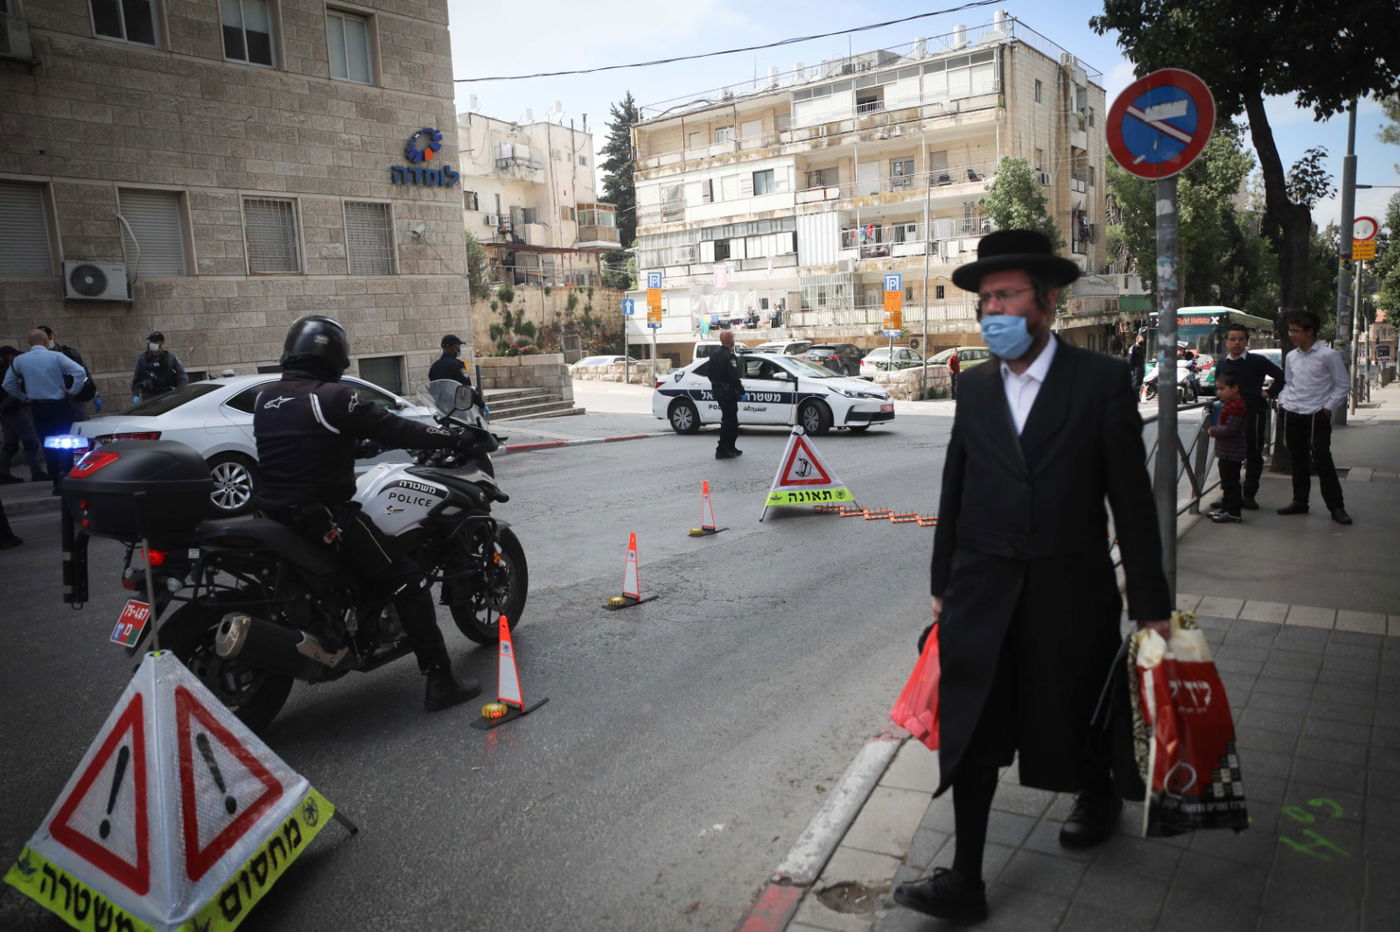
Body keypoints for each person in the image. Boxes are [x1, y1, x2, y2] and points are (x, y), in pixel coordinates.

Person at [894, 231, 1171, 923]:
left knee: (1076, 709)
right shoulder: (977, 384)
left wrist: (1151, 606)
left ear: (1045, 303)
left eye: (1006, 295)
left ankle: (1099, 794)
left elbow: (1131, 505)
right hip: (982, 589)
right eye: (986, 298)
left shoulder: (1100, 382)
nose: (993, 310)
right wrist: (943, 581)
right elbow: (956, 485)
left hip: (1069, 589)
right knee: (974, 725)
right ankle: (965, 879)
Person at [254, 315, 486, 711]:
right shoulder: (332, 397)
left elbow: (305, 445)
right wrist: (455, 434)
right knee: (409, 581)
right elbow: (396, 428)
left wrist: (357, 448)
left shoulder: (266, 396)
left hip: (274, 517)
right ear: (334, 355)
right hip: (324, 518)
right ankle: (440, 679)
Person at [1276, 311, 1351, 525]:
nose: (1291, 335)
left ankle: (1336, 507)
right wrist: (1283, 401)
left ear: (1310, 332)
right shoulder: (1291, 356)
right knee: (1298, 460)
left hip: (1317, 415)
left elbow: (1342, 384)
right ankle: (1300, 501)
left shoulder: (1328, 355)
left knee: (1322, 461)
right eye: (1290, 330)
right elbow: (1288, 383)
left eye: (1296, 331)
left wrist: (1327, 408)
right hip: (1293, 412)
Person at [2, 329, 88, 494]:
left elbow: (8, 384)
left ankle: (57, 483)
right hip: (59, 407)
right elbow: (80, 372)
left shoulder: (20, 360)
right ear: (45, 341)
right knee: (66, 444)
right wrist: (73, 390)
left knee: (48, 445)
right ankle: (68, 480)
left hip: (38, 408)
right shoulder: (56, 356)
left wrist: (23, 396)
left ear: (30, 343)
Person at [1213, 323, 1284, 510]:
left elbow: (1281, 376)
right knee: (1226, 457)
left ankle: (1249, 495)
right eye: (1233, 339)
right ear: (1226, 341)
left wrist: (1269, 393)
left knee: (1253, 453)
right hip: (1229, 415)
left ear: (1246, 341)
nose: (1237, 343)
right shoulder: (1222, 363)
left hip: (1254, 413)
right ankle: (1228, 495)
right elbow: (1218, 386)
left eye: (1241, 339)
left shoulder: (1258, 361)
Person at [1, 345, 48, 484]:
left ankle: (2, 473)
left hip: (5, 413)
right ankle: (36, 472)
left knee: (10, 445)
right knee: (30, 443)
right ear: (9, 356)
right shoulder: (9, 371)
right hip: (16, 411)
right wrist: (25, 398)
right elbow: (13, 390)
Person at [1207, 373, 1247, 524]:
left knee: (1231, 483)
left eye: (1222, 389)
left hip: (1232, 452)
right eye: (1218, 389)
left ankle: (1233, 512)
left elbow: (1231, 428)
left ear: (1235, 388)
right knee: (1227, 482)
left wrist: (1214, 431)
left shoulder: (1236, 407)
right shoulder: (1232, 404)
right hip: (1228, 452)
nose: (1219, 392)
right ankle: (1225, 508)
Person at [37, 325, 98, 416]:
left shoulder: (70, 353)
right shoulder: (36, 358)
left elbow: (84, 374)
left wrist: (90, 391)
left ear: (53, 336)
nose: (47, 341)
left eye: (49, 337)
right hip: (52, 402)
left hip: (74, 400)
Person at [707, 330, 744, 460]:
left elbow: (710, 375)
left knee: (729, 420)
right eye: (733, 338)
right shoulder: (729, 356)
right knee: (730, 422)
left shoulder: (714, 354)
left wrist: (717, 386)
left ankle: (730, 447)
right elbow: (733, 376)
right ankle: (723, 449)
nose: (734, 340)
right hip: (728, 393)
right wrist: (741, 390)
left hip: (719, 392)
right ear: (729, 340)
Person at [428, 334, 487, 413]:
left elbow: (433, 389)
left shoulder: (434, 367)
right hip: (457, 410)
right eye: (458, 347)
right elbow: (467, 389)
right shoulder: (460, 366)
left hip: (441, 410)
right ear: (453, 347)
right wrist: (481, 404)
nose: (459, 349)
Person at [130, 331, 188, 405]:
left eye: (155, 341)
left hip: (167, 395)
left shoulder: (170, 358)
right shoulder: (143, 358)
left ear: (162, 343)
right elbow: (136, 378)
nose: (152, 343)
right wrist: (135, 395)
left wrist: (180, 392)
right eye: (151, 341)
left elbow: (182, 376)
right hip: (149, 396)